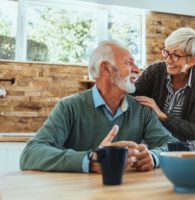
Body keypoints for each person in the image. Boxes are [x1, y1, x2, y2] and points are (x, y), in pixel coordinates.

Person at [20, 40, 178, 173]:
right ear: (106, 68)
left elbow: (175, 147)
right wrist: (90, 160)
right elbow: (30, 154)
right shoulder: (69, 107)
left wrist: (154, 156)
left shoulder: (142, 109)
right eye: (129, 62)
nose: (137, 69)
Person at [134, 27, 195, 142]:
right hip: (149, 145)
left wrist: (162, 115)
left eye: (176, 55)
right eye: (166, 52)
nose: (168, 60)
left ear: (192, 60)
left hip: (180, 149)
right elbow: (131, 97)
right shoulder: (155, 71)